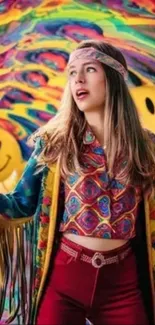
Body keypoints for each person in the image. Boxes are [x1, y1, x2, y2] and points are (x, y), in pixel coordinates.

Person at [0, 39, 155, 325]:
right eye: (72, 72)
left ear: (113, 78)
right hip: (64, 280)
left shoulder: (147, 147)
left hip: (123, 283)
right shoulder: (53, 144)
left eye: (90, 69)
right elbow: (20, 205)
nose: (78, 79)